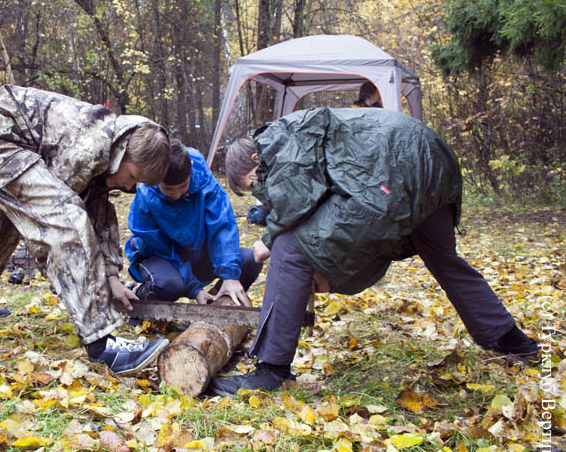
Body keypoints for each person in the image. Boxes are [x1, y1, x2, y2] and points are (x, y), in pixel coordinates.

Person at [213, 107, 539, 395]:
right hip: (432, 164)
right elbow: (319, 190)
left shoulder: (277, 141)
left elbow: (297, 200)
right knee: (444, 260)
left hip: (395, 172)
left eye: (254, 184)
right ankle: (512, 340)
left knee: (288, 248)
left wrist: (266, 241)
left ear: (256, 159)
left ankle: (272, 370)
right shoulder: (298, 132)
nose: (260, 193)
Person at [0, 85, 172, 376]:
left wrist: (111, 275)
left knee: (6, 226)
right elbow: (59, 230)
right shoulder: (88, 149)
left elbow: (99, 212)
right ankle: (102, 344)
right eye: (133, 178)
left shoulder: (108, 149)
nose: (130, 188)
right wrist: (81, 287)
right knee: (67, 220)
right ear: (123, 154)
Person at [125, 141, 262, 306]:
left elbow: (222, 228)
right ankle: (138, 299)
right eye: (168, 189)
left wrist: (230, 276)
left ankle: (217, 303)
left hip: (195, 253)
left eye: (183, 186)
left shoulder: (206, 182)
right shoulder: (146, 197)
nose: (176, 195)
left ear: (190, 168)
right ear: (155, 178)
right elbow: (164, 250)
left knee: (250, 260)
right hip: (162, 257)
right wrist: (195, 289)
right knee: (169, 284)